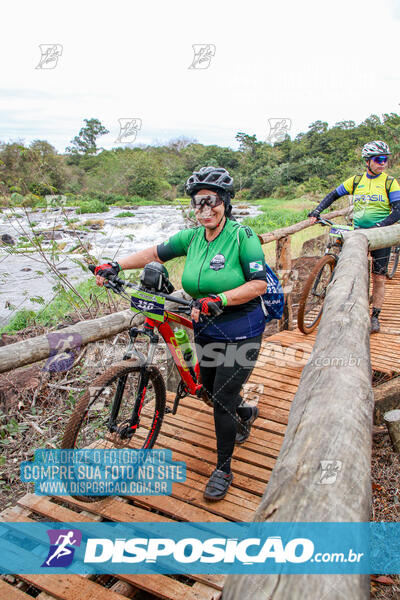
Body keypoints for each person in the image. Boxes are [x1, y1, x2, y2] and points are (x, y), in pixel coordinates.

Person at [94, 166, 270, 501]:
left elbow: (258, 284)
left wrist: (221, 298)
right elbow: (155, 252)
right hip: (204, 324)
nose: (205, 209)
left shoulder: (241, 237)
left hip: (239, 328)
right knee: (206, 387)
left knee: (220, 401)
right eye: (198, 203)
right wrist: (116, 265)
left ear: (226, 203)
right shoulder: (191, 238)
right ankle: (244, 413)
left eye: (212, 201)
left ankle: (223, 469)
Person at [308, 140, 400, 333]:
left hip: (379, 235)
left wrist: (380, 226)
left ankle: (375, 316)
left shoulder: (389, 182)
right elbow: (334, 195)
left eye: (385, 160)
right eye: (378, 159)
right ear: (367, 161)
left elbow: (398, 210)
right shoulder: (356, 181)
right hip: (357, 233)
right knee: (350, 271)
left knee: (379, 277)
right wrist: (316, 210)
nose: (382, 163)